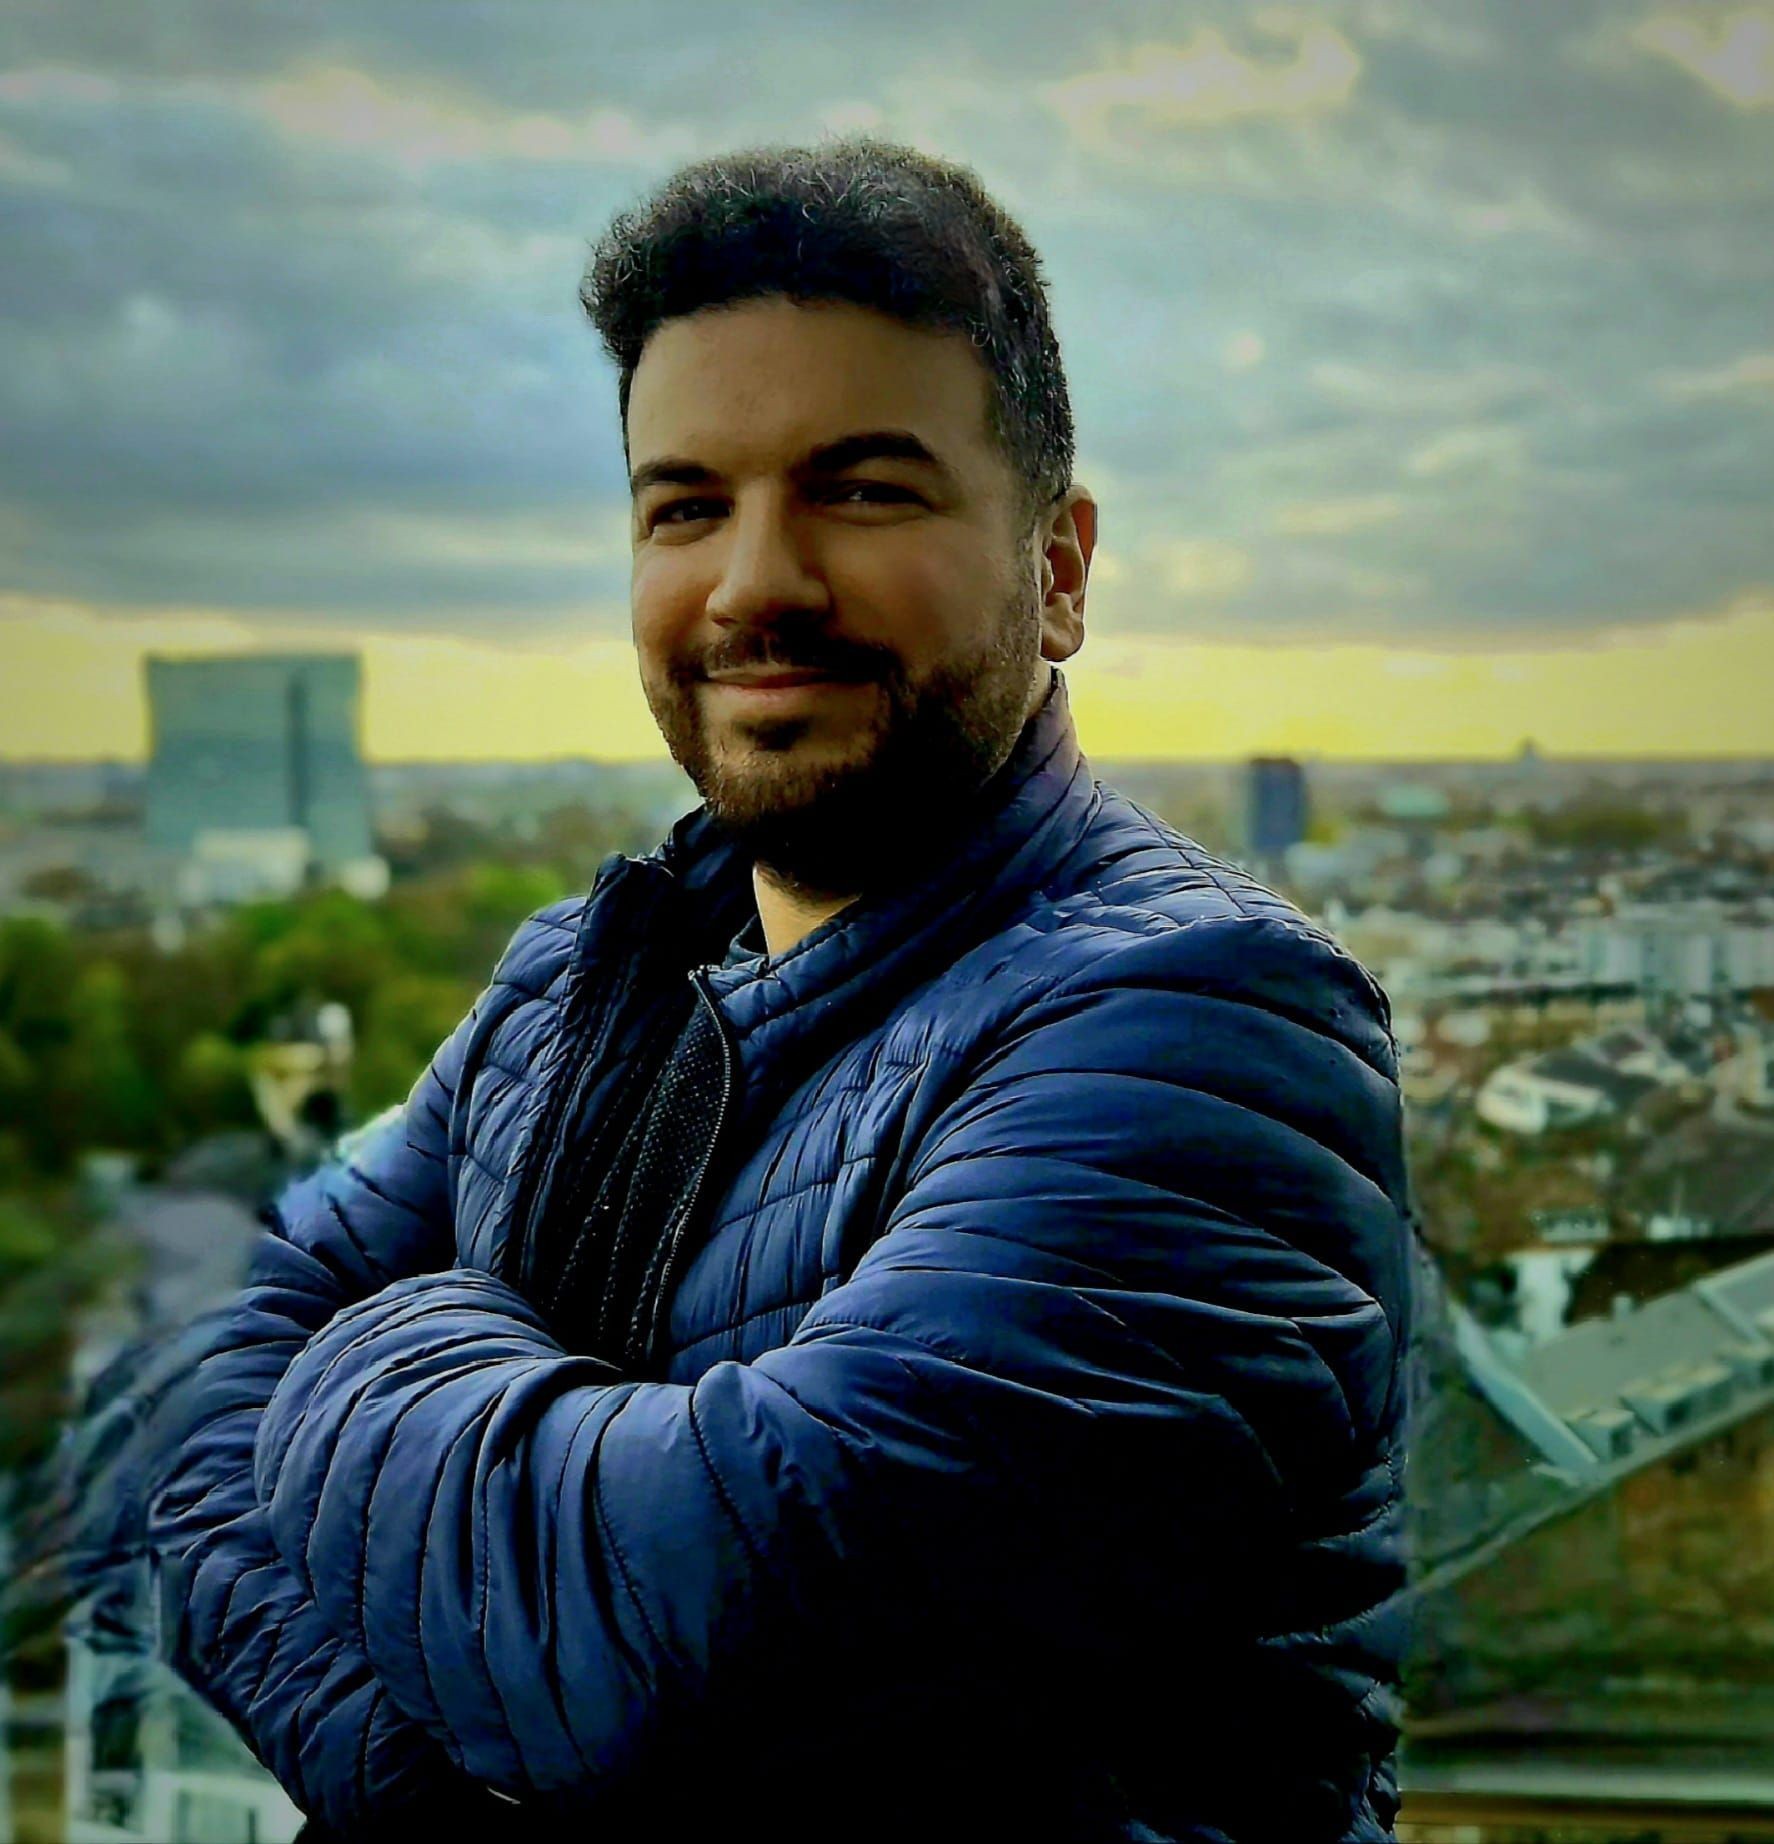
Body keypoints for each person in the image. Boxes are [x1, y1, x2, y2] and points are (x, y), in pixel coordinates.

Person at [139, 136, 1417, 1842]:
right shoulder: (579, 981)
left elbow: (702, 1616)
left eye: (863, 488)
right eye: (686, 506)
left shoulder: (1207, 1021)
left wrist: (376, 1346)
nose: (753, 585)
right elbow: (191, 1426)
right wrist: (441, 1790)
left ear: (1058, 572)